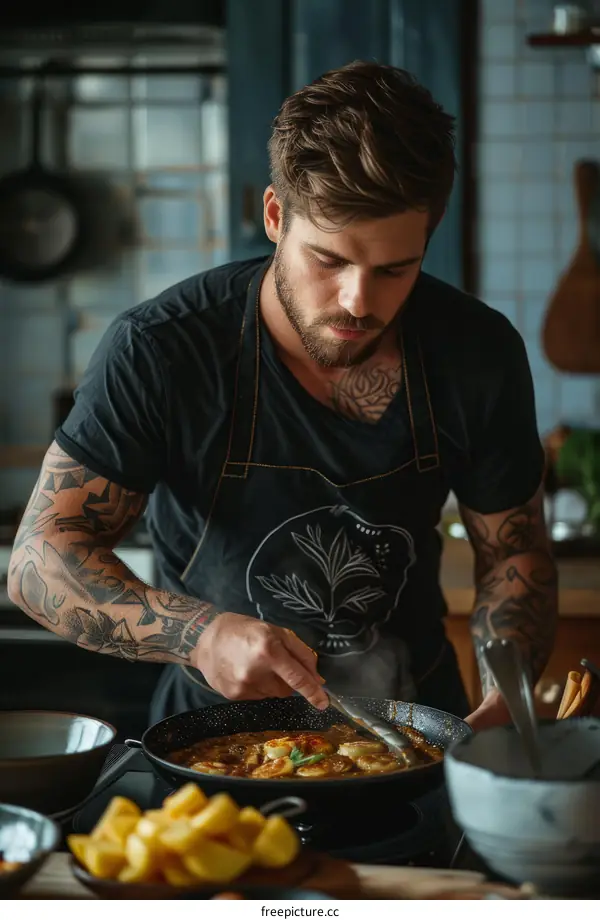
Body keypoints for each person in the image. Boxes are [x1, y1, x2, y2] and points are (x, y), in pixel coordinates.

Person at [8, 61, 557, 732]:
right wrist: (199, 636)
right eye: (329, 261)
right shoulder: (161, 350)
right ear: (275, 215)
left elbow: (515, 552)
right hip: (211, 748)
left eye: (394, 269)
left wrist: (510, 694)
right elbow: (40, 560)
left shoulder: (477, 353)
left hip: (418, 737)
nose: (359, 301)